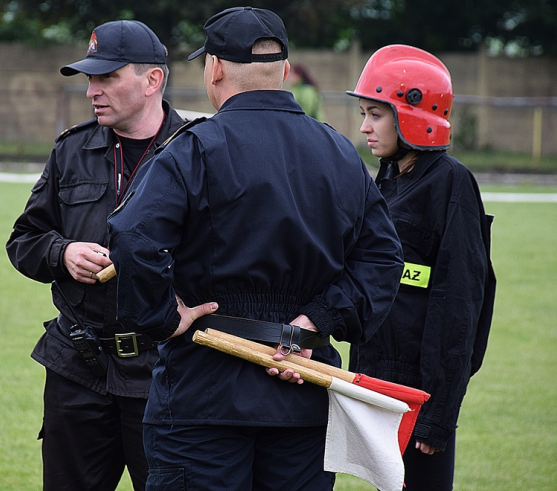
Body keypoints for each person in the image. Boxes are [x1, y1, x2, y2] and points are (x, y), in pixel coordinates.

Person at [107, 7, 404, 491]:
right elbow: (383, 259)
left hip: (203, 396)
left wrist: (161, 318)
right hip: (302, 388)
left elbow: (134, 238)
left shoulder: (194, 149)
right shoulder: (339, 153)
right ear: (284, 71)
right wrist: (313, 324)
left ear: (215, 68)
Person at [5, 20, 187, 491]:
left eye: (107, 77)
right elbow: (24, 239)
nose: (92, 91)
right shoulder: (71, 149)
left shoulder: (197, 152)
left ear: (153, 80)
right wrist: (62, 253)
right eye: (89, 78)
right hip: (77, 368)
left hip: (164, 373)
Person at [347, 44, 497, 491]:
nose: (364, 127)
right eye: (363, 113)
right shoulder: (388, 178)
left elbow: (459, 307)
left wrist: (437, 416)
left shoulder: (451, 183)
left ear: (411, 114)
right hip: (378, 383)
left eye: (375, 114)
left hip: (420, 396)